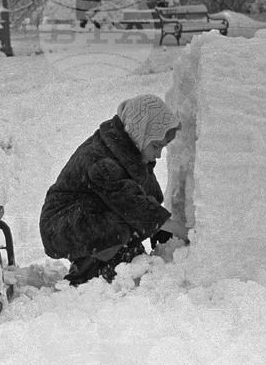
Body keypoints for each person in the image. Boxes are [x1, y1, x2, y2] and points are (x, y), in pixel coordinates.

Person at [39, 94, 188, 286]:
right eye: (156, 146)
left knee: (130, 226)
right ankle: (87, 271)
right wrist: (182, 231)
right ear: (141, 132)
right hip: (60, 226)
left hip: (87, 218)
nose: (158, 154)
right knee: (121, 223)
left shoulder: (129, 149)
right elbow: (134, 206)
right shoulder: (102, 160)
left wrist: (162, 232)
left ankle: (113, 259)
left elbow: (149, 198)